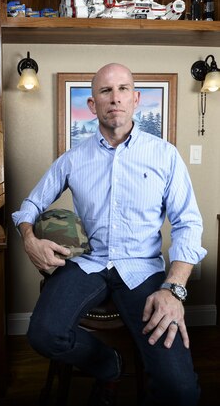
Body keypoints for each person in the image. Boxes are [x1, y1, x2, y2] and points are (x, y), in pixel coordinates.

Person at [12, 63, 207, 406]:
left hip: (142, 269)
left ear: (136, 99)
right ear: (92, 105)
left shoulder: (165, 156)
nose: (114, 98)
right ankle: (108, 364)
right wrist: (29, 239)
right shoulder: (73, 159)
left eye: (122, 90)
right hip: (89, 264)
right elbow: (29, 205)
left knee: (181, 390)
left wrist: (174, 290)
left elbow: (188, 224)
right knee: (43, 335)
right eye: (105, 91)